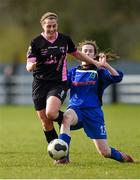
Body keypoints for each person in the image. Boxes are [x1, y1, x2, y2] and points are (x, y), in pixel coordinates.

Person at [26, 12, 101, 145]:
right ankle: (59, 153)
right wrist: (31, 66)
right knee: (45, 122)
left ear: (57, 25)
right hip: (39, 84)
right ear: (43, 25)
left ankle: (69, 120)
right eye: (48, 26)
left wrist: (94, 62)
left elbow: (77, 54)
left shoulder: (64, 40)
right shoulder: (36, 42)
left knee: (51, 113)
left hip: (58, 83)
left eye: (54, 26)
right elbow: (29, 64)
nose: (52, 29)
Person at [57, 40, 134, 164]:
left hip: (93, 113)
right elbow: (61, 85)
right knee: (66, 118)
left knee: (105, 152)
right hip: (76, 110)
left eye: (90, 51)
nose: (87, 53)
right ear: (80, 54)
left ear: (94, 55)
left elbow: (117, 77)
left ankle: (124, 157)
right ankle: (63, 157)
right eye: (85, 51)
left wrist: (105, 65)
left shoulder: (99, 72)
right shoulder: (73, 72)